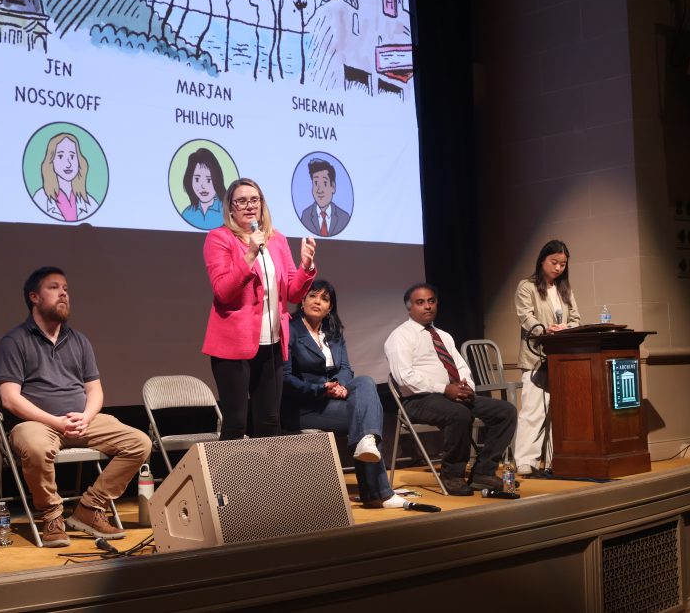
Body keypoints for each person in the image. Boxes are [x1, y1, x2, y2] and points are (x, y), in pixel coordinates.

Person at [0, 267, 150, 546]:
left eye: (65, 288)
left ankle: (90, 508)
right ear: (34, 297)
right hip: (37, 424)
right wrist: (56, 422)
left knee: (139, 443)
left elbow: (95, 390)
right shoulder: (15, 341)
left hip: (81, 421)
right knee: (36, 447)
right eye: (54, 287)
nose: (63, 293)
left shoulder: (78, 340)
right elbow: (9, 398)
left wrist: (86, 417)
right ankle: (51, 516)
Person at [203, 177, 317, 440]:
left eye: (254, 200)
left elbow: (293, 293)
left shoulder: (277, 239)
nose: (249, 206)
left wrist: (306, 267)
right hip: (233, 346)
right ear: (230, 208)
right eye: (241, 201)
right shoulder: (219, 238)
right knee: (236, 422)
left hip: (272, 343)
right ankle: (229, 470)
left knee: (269, 422)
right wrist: (250, 254)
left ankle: (265, 470)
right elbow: (223, 292)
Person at [384, 283, 517, 496]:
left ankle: (483, 472)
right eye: (420, 302)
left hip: (451, 394)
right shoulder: (400, 336)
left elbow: (461, 366)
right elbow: (404, 377)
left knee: (506, 411)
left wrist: (466, 387)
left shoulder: (443, 335)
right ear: (409, 308)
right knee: (459, 413)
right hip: (418, 400)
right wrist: (444, 389)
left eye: (431, 301)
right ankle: (452, 475)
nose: (428, 306)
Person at [282, 279, 405, 508]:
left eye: (324, 299)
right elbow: (285, 378)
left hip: (331, 401)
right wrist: (321, 389)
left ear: (330, 307)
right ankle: (378, 494)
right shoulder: (289, 329)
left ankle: (368, 444)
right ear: (302, 300)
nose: (317, 301)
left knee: (365, 382)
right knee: (365, 417)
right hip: (303, 406)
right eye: (312, 296)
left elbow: (346, 369)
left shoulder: (333, 333)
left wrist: (339, 384)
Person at [514, 240, 580, 476]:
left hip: (561, 358)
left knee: (559, 411)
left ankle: (554, 459)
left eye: (563, 264)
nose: (558, 268)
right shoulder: (527, 286)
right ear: (542, 260)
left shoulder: (564, 289)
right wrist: (545, 329)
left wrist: (566, 328)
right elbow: (525, 316)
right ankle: (525, 460)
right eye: (554, 262)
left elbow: (576, 318)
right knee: (534, 411)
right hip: (536, 356)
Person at [32, 133, 100, 222]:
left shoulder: (91, 204)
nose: (68, 164)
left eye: (72, 156)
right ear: (51, 160)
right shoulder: (40, 198)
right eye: (60, 156)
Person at [299, 158, 351, 237]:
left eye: (325, 183)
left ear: (333, 187)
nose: (319, 190)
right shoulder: (305, 215)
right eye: (316, 183)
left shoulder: (344, 217)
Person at [180, 147, 226, 230]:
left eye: (208, 180)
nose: (203, 186)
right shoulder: (187, 214)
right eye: (197, 179)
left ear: (217, 179)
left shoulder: (228, 212)